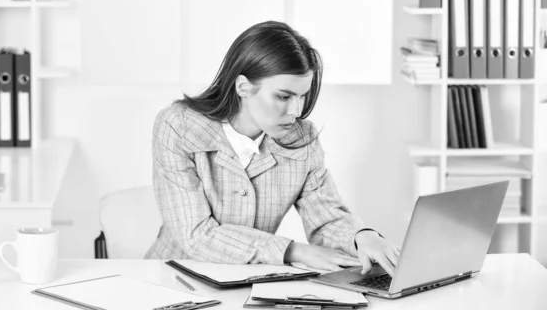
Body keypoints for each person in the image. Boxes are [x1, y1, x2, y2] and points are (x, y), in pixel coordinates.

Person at [145, 20, 400, 275]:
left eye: (302, 96)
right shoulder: (178, 127)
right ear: (243, 87)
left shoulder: (302, 140)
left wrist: (361, 236)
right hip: (174, 279)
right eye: (283, 96)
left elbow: (326, 216)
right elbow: (196, 236)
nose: (296, 111)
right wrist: (294, 251)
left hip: (246, 284)